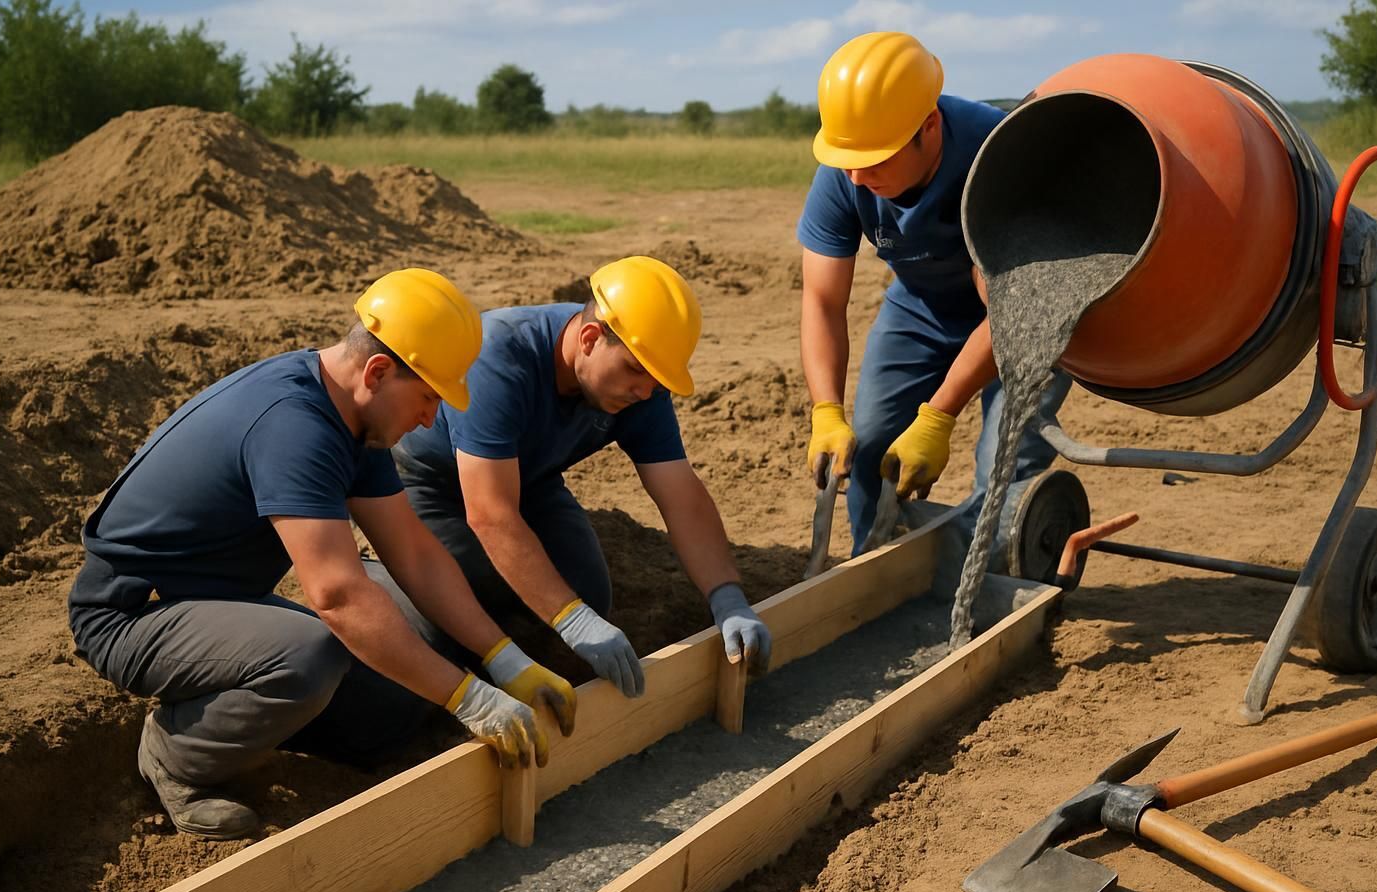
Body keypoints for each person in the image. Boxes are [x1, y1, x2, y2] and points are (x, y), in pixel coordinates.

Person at [68, 268, 576, 841]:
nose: (432, 418)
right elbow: (335, 596)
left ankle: (258, 712)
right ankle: (177, 757)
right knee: (309, 655)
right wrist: (468, 697)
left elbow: (413, 552)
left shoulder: (351, 413)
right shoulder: (295, 427)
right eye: (429, 397)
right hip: (134, 613)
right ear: (379, 371)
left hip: (213, 598)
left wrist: (505, 661)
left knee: (396, 690)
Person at [388, 256, 771, 699]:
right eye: (635, 371)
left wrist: (727, 597)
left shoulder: (642, 386)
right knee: (462, 603)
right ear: (590, 338)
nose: (645, 391)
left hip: (531, 479)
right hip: (433, 483)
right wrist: (573, 621)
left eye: (656, 380)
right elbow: (491, 513)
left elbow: (680, 494)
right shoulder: (499, 359)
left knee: (585, 593)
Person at [798, 31, 1072, 553]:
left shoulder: (999, 158)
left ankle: (992, 596)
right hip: (921, 306)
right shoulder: (846, 169)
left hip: (1025, 316)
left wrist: (939, 415)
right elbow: (822, 300)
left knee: (1002, 467)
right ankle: (874, 570)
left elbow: (1011, 312)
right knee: (873, 441)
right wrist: (826, 411)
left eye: (876, 160)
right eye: (848, 159)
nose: (856, 176)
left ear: (929, 126)